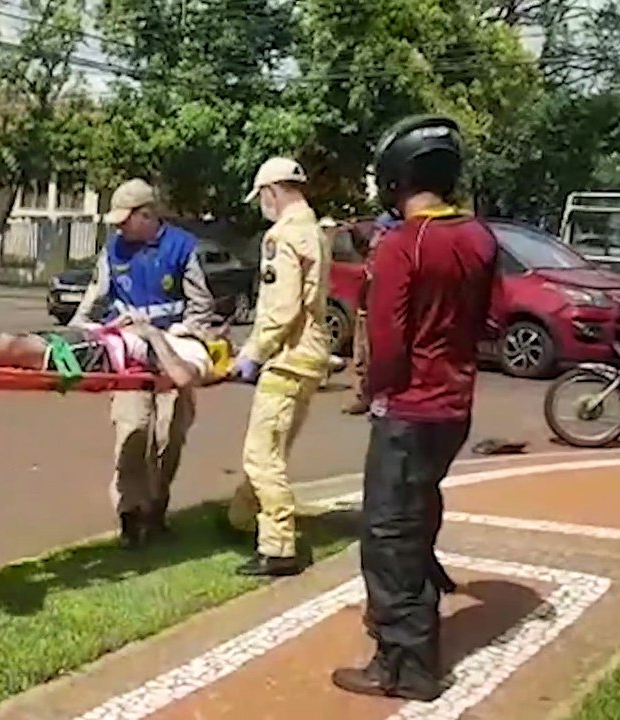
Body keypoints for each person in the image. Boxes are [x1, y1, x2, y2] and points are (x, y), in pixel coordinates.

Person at [331, 115, 501, 701]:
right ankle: (414, 631)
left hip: (409, 409)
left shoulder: (405, 244)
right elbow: (489, 320)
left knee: (387, 536)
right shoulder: (479, 237)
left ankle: (406, 666)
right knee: (417, 516)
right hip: (455, 406)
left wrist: (374, 393)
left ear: (396, 177)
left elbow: (387, 340)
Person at [70, 178, 216, 549]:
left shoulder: (182, 248)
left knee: (170, 435)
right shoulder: (113, 251)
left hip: (173, 353)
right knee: (132, 431)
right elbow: (92, 303)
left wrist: (184, 335)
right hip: (131, 357)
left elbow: (201, 306)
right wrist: (83, 334)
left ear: (148, 215)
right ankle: (130, 517)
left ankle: (156, 505)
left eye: (126, 219)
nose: (119, 227)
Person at [224, 157, 332, 578]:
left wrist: (253, 351)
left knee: (262, 454)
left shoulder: (282, 237)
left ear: (272, 192)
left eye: (262, 198)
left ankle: (278, 545)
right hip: (310, 355)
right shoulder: (316, 232)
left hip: (288, 356)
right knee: (273, 447)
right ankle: (240, 516)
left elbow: (281, 307)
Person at [0, 314, 235, 389]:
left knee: (12, 346)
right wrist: (117, 324)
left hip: (98, 355)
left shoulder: (198, 355)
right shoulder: (180, 336)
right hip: (98, 340)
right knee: (9, 342)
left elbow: (182, 377)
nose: (202, 322)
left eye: (212, 325)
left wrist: (152, 333)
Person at [343, 213, 402, 415]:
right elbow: (362, 248)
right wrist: (353, 232)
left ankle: (383, 398)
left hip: (383, 310)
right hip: (365, 306)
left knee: (380, 356)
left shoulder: (395, 254)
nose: (376, 237)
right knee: (361, 355)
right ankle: (363, 396)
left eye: (381, 232)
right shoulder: (374, 251)